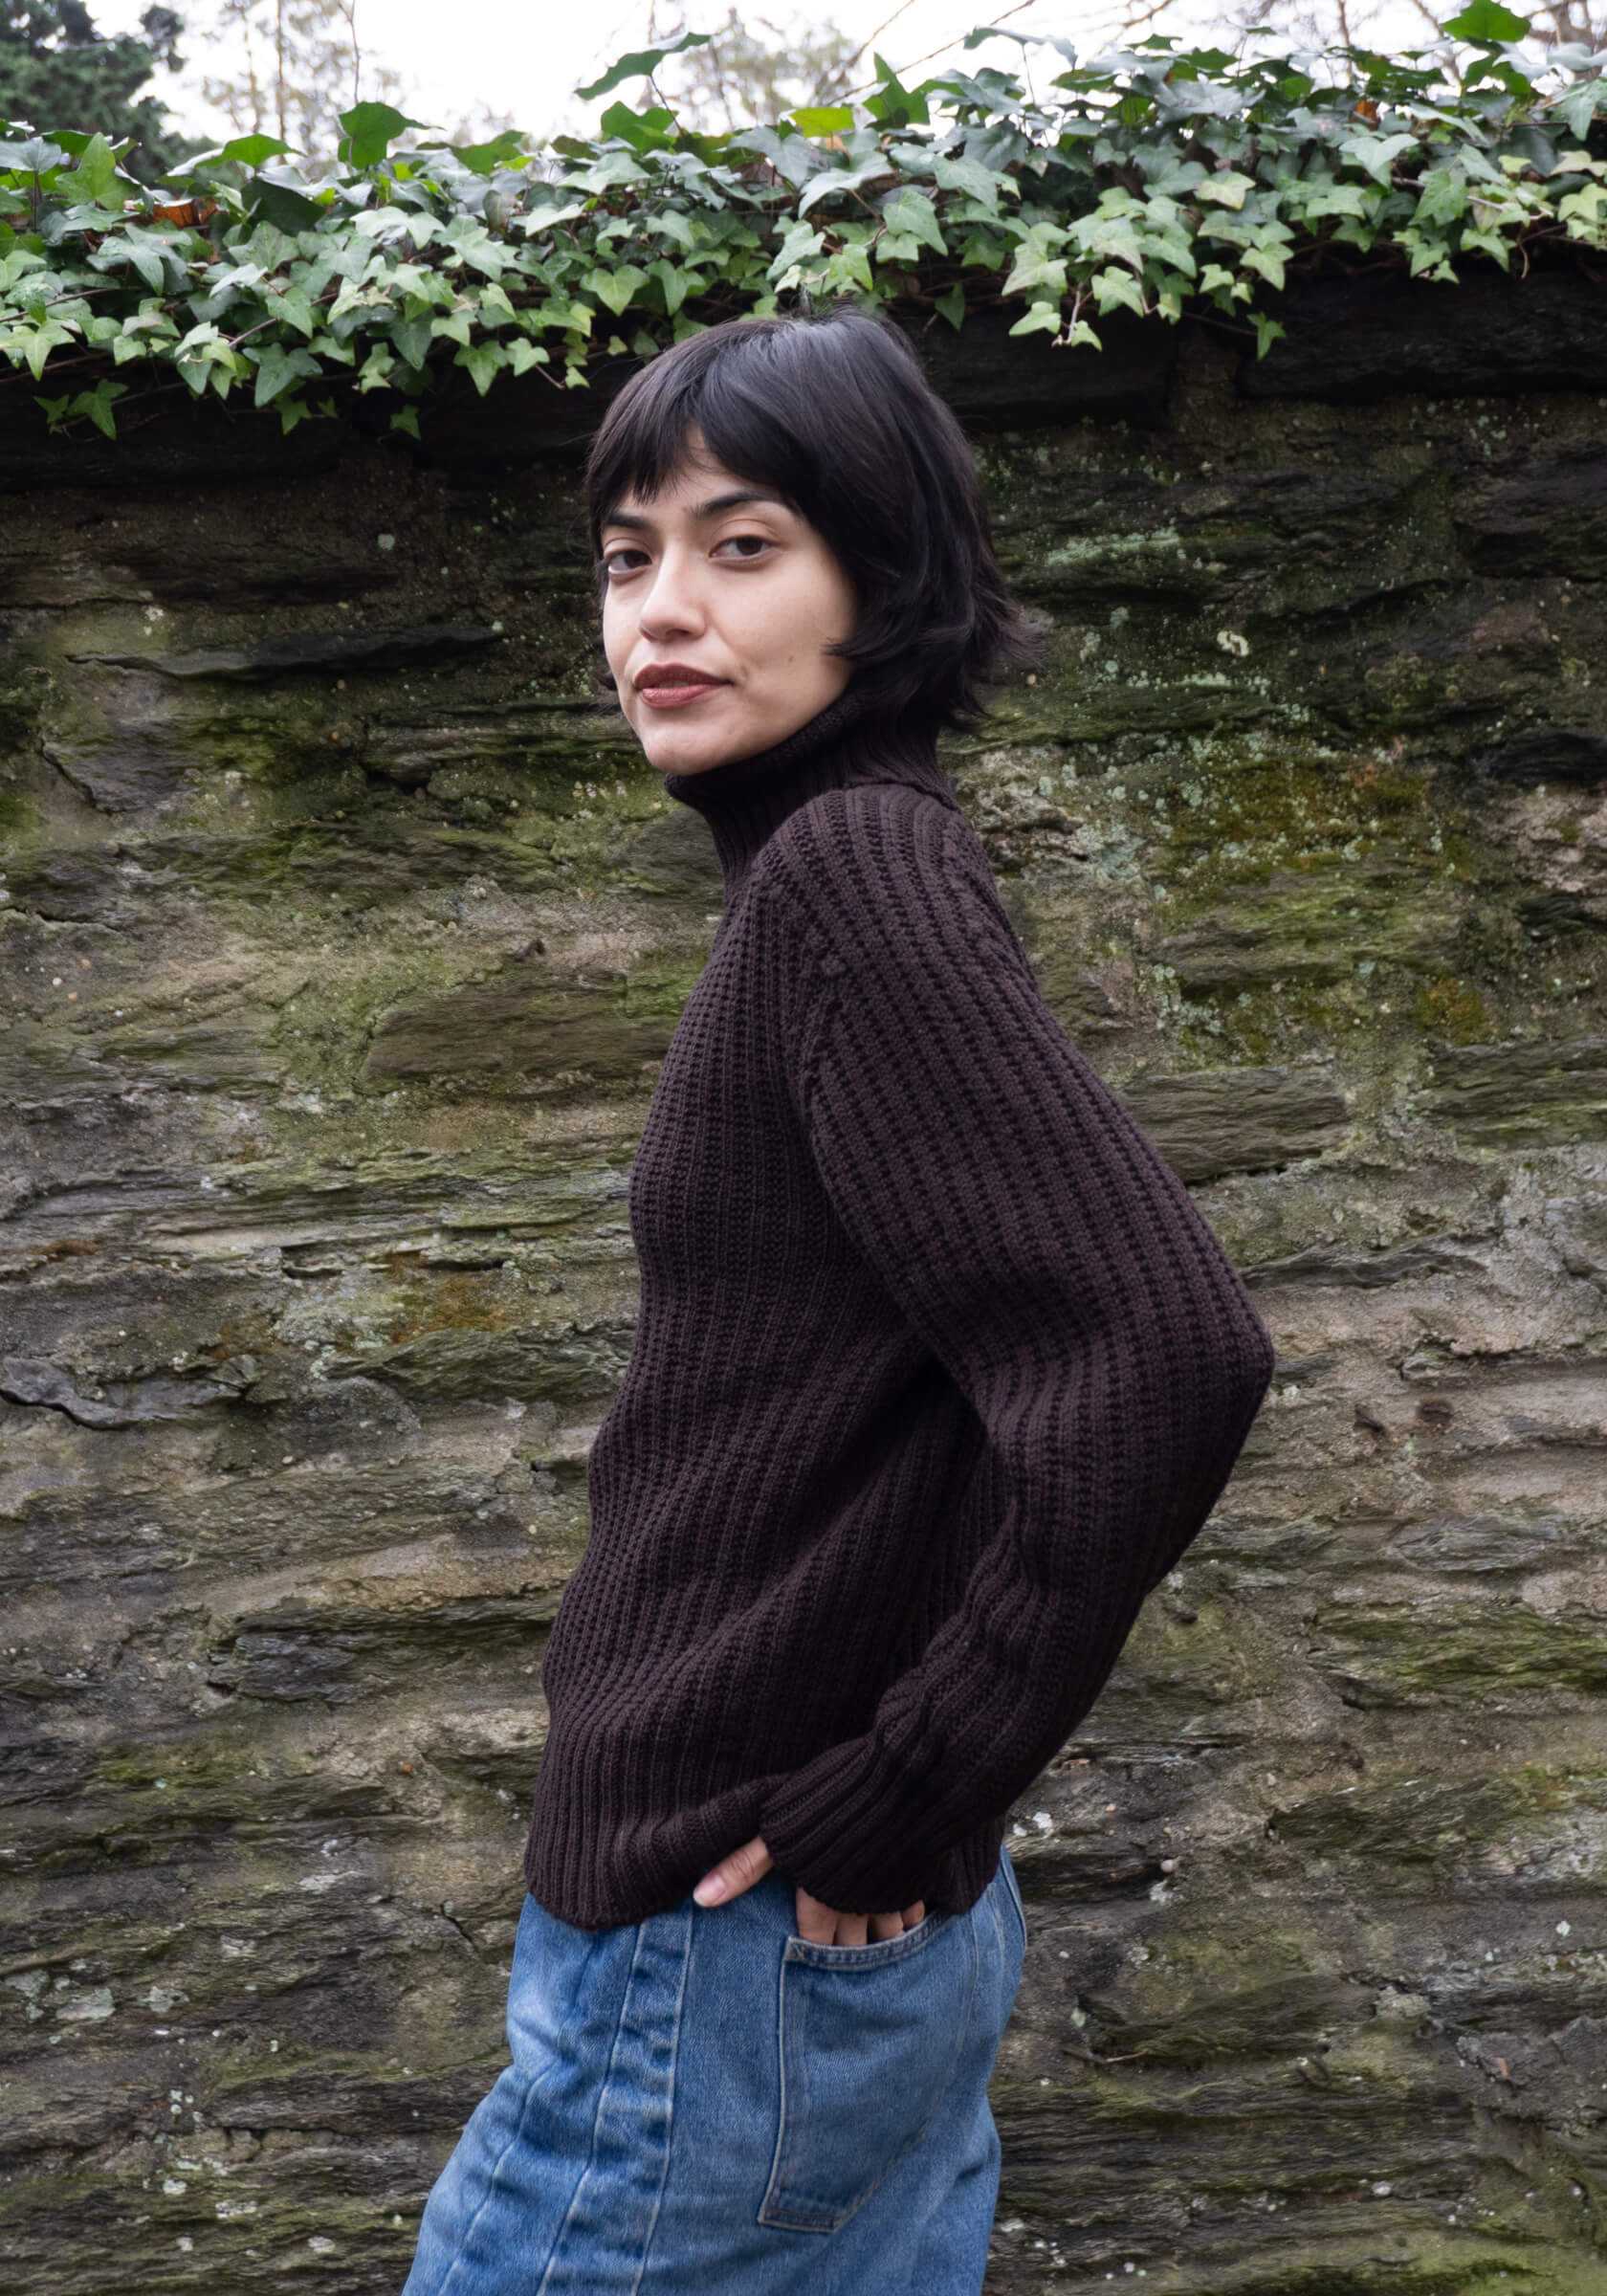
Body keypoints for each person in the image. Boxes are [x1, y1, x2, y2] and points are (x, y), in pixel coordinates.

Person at [401, 305, 1276, 2296]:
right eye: (628, 557)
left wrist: (914, 1774)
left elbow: (1163, 1347)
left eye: (742, 544)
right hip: (805, 1949)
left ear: (881, 580)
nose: (660, 610)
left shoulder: (851, 878)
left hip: (731, 1964)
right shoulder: (836, 871)